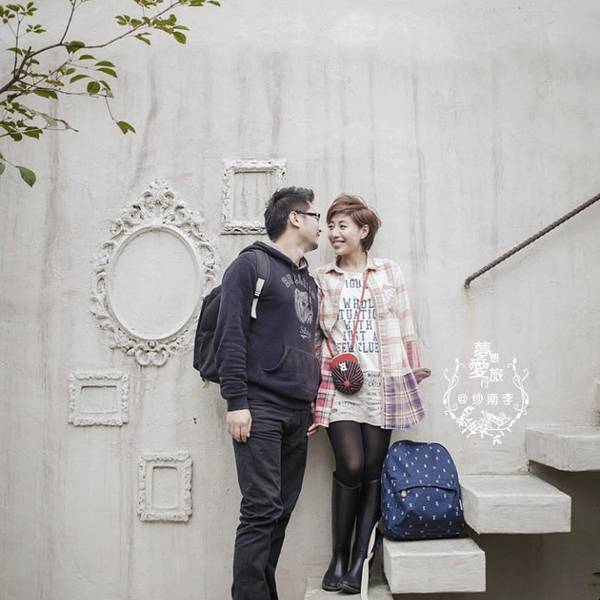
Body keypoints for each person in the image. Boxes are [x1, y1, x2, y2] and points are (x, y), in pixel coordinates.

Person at [312, 194, 431, 594]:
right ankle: (338, 555)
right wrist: (309, 392)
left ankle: (358, 562)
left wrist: (413, 370)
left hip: (383, 381)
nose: (333, 233)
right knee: (350, 465)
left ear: (363, 231)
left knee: (372, 471)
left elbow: (405, 321)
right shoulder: (322, 277)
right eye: (331, 226)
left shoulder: (388, 272)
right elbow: (315, 337)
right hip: (340, 384)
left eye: (342, 226)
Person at [214, 186, 322, 600]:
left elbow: (306, 345)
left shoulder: (307, 281)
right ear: (295, 217)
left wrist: (310, 401)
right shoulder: (250, 266)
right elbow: (230, 336)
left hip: (298, 413)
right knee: (260, 510)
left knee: (279, 513)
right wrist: (236, 402)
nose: (320, 226)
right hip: (259, 408)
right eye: (315, 217)